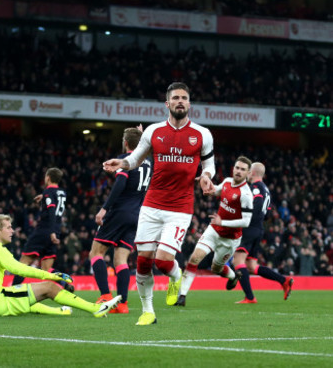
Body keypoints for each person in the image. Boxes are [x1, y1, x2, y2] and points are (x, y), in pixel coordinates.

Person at [102, 82, 215, 325]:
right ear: (168, 103)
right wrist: (120, 163)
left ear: (189, 103)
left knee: (163, 261)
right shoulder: (153, 131)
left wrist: (206, 177)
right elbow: (134, 159)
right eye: (176, 98)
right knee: (143, 260)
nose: (180, 101)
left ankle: (176, 277)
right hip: (151, 204)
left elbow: (209, 165)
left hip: (180, 207)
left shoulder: (202, 134)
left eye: (184, 97)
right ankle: (148, 311)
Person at [0, 214, 121, 317]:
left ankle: (60, 311)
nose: (12, 231)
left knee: (26, 297)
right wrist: (52, 275)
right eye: (8, 227)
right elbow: (19, 269)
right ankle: (95, 309)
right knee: (48, 287)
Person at [174, 156, 254, 306]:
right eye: (237, 167)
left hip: (229, 239)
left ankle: (233, 277)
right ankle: (182, 296)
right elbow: (218, 190)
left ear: (248, 173)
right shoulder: (227, 181)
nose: (238, 171)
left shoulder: (246, 195)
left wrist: (222, 221)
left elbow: (246, 221)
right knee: (194, 259)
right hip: (214, 230)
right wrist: (208, 186)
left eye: (242, 169)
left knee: (216, 268)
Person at [91, 126, 150, 314]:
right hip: (136, 215)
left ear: (125, 143)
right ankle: (123, 304)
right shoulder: (148, 163)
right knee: (121, 259)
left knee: (96, 253)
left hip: (119, 212)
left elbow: (120, 184)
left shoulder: (125, 161)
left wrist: (104, 209)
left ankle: (106, 296)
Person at [231, 162, 293, 303]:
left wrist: (245, 218)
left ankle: (250, 297)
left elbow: (257, 206)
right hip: (259, 229)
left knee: (238, 261)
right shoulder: (266, 189)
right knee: (252, 266)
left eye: (247, 171)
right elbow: (267, 214)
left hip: (249, 228)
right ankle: (284, 280)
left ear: (252, 173)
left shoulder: (255, 188)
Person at [12, 168, 73, 291]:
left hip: (44, 231)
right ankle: (64, 282)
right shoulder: (62, 192)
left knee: (23, 264)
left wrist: (50, 232)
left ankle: (11, 293)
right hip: (56, 231)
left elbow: (51, 211)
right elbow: (54, 200)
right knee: (46, 269)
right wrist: (44, 197)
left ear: (48, 178)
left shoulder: (48, 192)